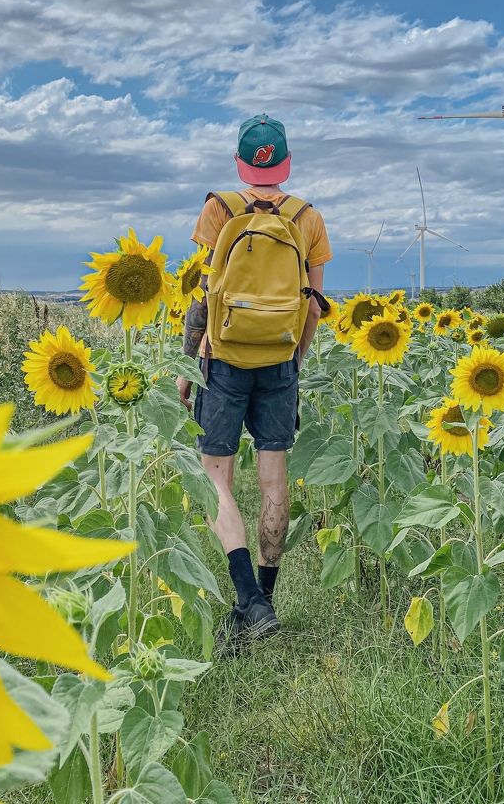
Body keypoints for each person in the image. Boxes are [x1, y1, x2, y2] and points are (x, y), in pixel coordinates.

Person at [176, 113, 332, 652]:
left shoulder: (220, 207)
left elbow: (202, 293)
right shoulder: (307, 218)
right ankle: (264, 596)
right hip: (280, 360)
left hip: (223, 356)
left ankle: (249, 600)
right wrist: (295, 358)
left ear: (240, 162)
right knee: (273, 480)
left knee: (215, 478)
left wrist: (188, 364)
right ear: (286, 161)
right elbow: (312, 306)